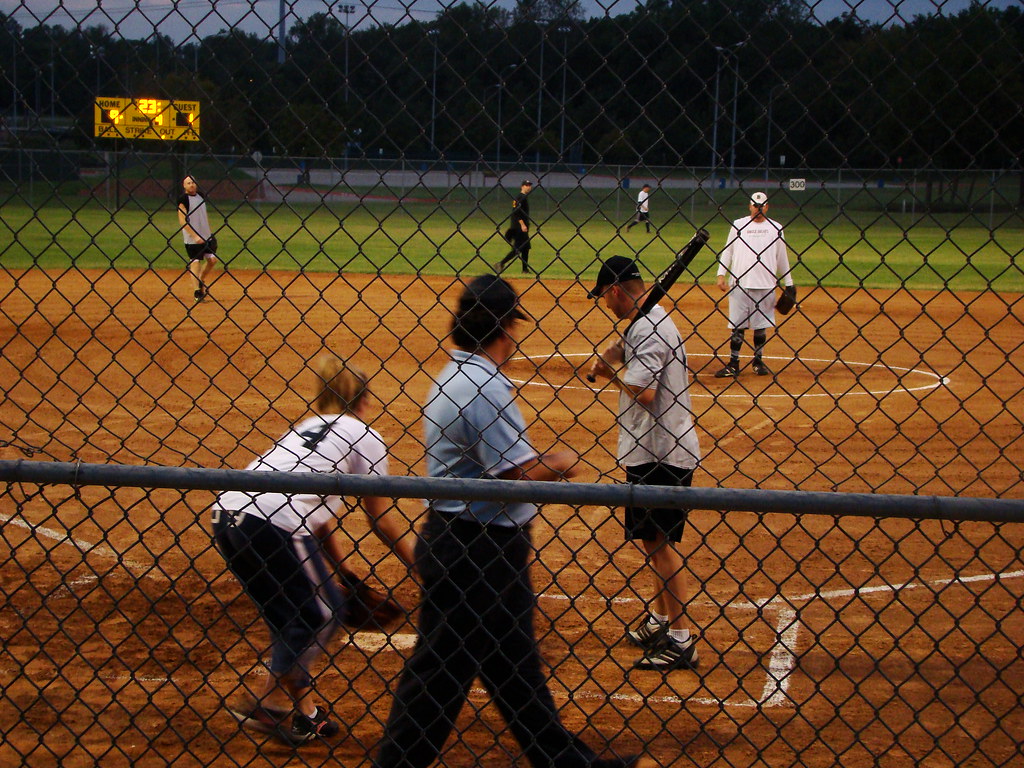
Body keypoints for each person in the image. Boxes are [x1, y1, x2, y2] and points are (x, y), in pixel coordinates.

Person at [376, 274, 651, 768]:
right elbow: (513, 474)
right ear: (505, 326)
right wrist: (563, 462)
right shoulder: (481, 386)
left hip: (475, 543)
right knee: (438, 674)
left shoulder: (455, 375)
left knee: (515, 669)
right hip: (475, 550)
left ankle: (570, 765)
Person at [213, 355, 416, 746]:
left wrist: (343, 574)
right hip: (273, 519)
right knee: (324, 614)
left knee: (290, 617)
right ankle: (267, 701)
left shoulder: (307, 428)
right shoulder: (364, 434)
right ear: (364, 398)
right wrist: (421, 569)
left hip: (228, 514)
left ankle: (300, 714)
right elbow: (381, 520)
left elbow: (319, 520)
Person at [587, 256, 702, 672]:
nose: (604, 303)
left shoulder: (650, 329)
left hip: (661, 453)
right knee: (655, 542)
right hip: (653, 449)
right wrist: (618, 355)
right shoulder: (646, 322)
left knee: (660, 545)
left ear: (616, 291)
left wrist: (611, 371)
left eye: (603, 296)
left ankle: (682, 638)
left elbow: (645, 393)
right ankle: (661, 618)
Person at [713, 191, 794, 377]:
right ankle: (734, 363)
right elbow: (728, 251)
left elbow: (782, 257)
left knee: (761, 326)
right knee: (737, 326)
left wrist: (789, 283)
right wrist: (720, 274)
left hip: (766, 284)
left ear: (767, 207)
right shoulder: (738, 225)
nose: (758, 209)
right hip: (739, 283)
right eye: (755, 206)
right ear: (750, 206)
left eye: (761, 206)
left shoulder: (776, 228)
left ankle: (758, 362)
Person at [177, 174, 219, 301]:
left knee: (212, 260)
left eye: (193, 182)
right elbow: (182, 221)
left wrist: (209, 233)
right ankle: (197, 292)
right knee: (195, 262)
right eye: (188, 183)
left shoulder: (201, 196)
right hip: (192, 238)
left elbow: (203, 216)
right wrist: (194, 236)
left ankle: (200, 279)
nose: (191, 185)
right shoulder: (183, 199)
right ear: (184, 186)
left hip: (206, 235)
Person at [498, 179, 534, 274]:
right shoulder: (520, 197)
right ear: (522, 186)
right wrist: (522, 225)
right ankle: (501, 263)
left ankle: (525, 269)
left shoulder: (522, 197)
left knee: (525, 248)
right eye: (527, 185)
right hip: (519, 227)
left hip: (520, 226)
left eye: (530, 185)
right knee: (517, 249)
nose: (529, 187)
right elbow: (516, 212)